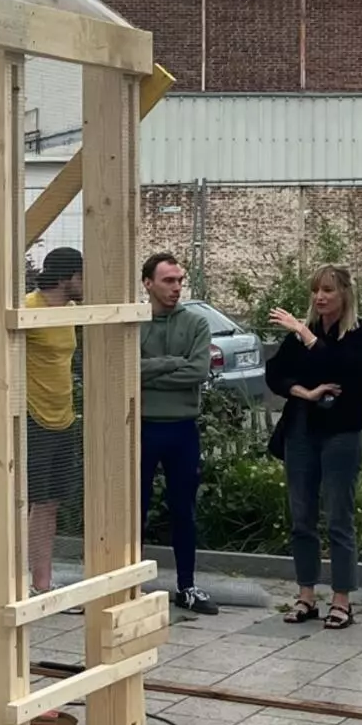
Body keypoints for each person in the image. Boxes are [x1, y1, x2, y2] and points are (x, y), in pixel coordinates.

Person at [265, 265, 362, 629]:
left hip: (340, 433)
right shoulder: (302, 332)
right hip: (301, 430)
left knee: (339, 517)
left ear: (344, 293)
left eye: (327, 290)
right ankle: (306, 595)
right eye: (315, 290)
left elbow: (345, 368)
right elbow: (275, 373)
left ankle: (342, 599)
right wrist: (304, 392)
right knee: (302, 517)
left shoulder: (360, 333)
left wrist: (306, 336)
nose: (320, 297)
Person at [139, 252, 218, 615]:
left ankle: (186, 585)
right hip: (141, 426)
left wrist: (150, 372)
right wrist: (172, 362)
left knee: (183, 509)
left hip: (182, 428)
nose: (176, 288)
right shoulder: (135, 322)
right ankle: (130, 586)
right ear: (148, 283)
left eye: (179, 280)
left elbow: (198, 371)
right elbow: (125, 370)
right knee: (134, 510)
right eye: (168, 281)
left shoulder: (197, 324)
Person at [23, 246, 84, 595]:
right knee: (31, 500)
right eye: (81, 275)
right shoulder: (30, 308)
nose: (84, 282)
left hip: (64, 415)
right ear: (66, 277)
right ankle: (26, 579)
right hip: (35, 415)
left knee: (51, 502)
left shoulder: (74, 311)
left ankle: (43, 582)